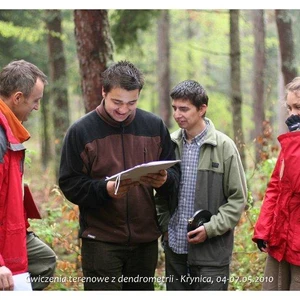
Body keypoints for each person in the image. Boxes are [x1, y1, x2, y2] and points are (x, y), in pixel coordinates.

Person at [58, 60, 180, 290]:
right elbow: (69, 183)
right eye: (117, 102)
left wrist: (164, 181)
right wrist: (104, 190)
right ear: (103, 92)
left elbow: (175, 176)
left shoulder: (154, 127)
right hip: (101, 241)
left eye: (131, 103)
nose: (123, 110)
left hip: (145, 241)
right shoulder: (81, 131)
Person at [155, 79, 247, 290]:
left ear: (202, 108)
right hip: (175, 251)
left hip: (211, 255)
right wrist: (165, 226)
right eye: (175, 108)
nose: (178, 114)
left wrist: (210, 228)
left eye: (184, 109)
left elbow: (237, 200)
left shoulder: (224, 147)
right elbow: (160, 192)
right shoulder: (170, 144)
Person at [0, 59, 57, 291]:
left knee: (44, 261)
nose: (37, 108)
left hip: (12, 233)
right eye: (35, 101)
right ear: (17, 98)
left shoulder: (8, 129)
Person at [252, 76, 300, 290]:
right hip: (280, 242)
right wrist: (264, 229)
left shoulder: (293, 142)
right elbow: (276, 187)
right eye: (289, 108)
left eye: (298, 107)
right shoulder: (291, 144)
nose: (292, 115)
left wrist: (296, 139)